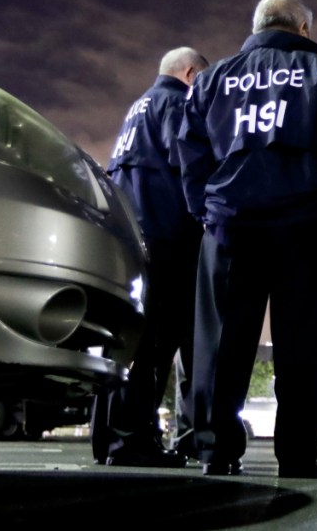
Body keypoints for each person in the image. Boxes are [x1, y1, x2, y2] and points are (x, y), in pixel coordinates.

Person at [178, 0, 317, 478]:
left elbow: (191, 150)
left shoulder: (215, 76)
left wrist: (205, 207)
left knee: (221, 341)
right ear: (302, 29)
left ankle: (215, 449)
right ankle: (299, 454)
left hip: (230, 225)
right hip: (307, 225)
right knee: (305, 342)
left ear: (259, 25)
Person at [93, 46, 209, 467]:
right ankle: (134, 441)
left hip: (131, 239)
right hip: (168, 241)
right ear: (192, 74)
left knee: (127, 342)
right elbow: (192, 170)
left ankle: (110, 439)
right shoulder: (176, 105)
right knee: (156, 346)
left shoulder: (136, 109)